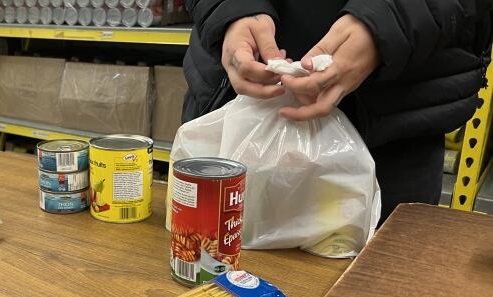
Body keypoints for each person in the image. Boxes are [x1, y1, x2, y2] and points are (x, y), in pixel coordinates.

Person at [182, 0, 493, 220]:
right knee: (203, 283)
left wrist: (389, 20)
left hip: (391, 133)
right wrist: (229, 8)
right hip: (233, 116)